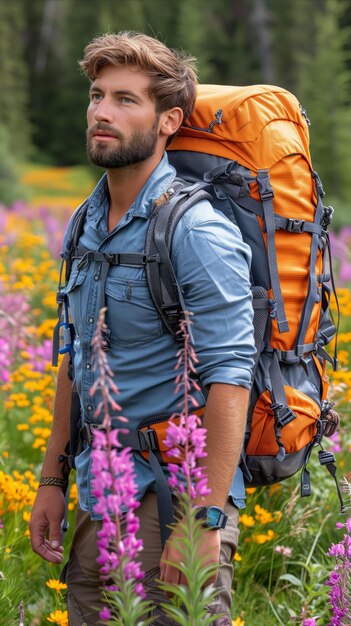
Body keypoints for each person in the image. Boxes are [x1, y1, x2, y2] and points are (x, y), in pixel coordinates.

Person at [29, 31, 255, 626]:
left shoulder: (195, 231)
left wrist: (204, 521)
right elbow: (76, 358)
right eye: (97, 95)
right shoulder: (86, 221)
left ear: (167, 121)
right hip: (100, 490)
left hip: (176, 499)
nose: (101, 112)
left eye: (126, 99)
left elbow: (232, 378)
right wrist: (53, 475)